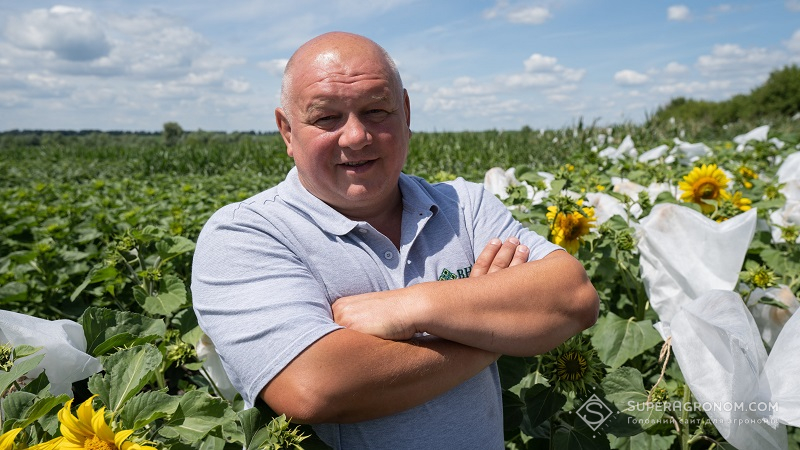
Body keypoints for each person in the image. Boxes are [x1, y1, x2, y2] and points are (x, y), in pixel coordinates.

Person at [191, 31, 599, 449]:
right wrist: (492, 333)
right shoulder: (245, 235)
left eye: (375, 110)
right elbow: (316, 385)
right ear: (287, 131)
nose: (355, 136)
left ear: (405, 113)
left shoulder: (465, 206)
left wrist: (410, 307)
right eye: (326, 117)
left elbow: (574, 297)